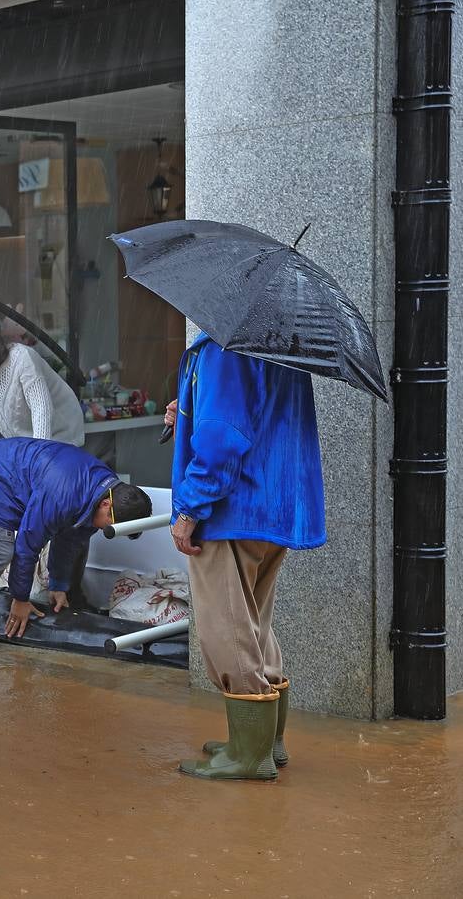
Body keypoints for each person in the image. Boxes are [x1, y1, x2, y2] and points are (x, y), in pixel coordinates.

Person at [167, 334, 324, 782]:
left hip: (232, 509)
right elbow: (258, 416)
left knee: (226, 628)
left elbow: (222, 436)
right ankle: (266, 741)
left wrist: (189, 509)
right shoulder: (282, 341)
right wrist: (188, 406)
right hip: (272, 505)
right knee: (252, 620)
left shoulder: (224, 348)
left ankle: (247, 754)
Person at [0, 437, 152, 661]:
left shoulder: (103, 491)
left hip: (19, 475)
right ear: (107, 504)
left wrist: (58, 585)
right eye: (108, 524)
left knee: (80, 536)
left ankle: (68, 597)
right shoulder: (63, 494)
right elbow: (27, 543)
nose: (103, 528)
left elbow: (70, 539)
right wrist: (20, 598)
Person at [0, 310, 92, 613]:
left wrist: (39, 460)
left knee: (70, 515)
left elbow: (41, 408)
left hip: (59, 439)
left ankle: (68, 591)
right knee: (43, 518)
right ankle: (46, 590)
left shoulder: (22, 358)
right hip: (27, 448)